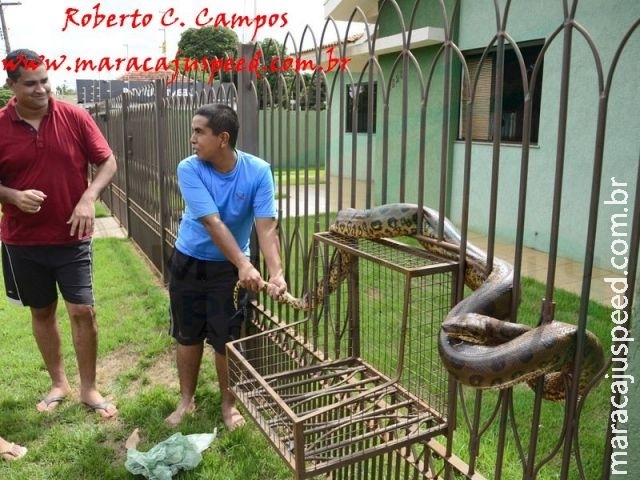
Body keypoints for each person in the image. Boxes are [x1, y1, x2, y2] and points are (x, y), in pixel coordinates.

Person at [0, 49, 118, 419]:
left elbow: (107, 161)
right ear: (12, 86)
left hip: (72, 237)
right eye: (31, 83)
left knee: (83, 310)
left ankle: (89, 388)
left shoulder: (74, 116)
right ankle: (58, 383)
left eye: (46, 81)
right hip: (22, 240)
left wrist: (88, 196)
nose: (42, 89)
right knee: (42, 311)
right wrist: (12, 196)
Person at [166, 103, 287, 430]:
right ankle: (186, 400)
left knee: (226, 338)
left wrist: (276, 272)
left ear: (222, 138)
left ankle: (227, 404)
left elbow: (266, 226)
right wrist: (245, 264)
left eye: (199, 131)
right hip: (189, 262)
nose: (192, 138)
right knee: (187, 335)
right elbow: (212, 222)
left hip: (226, 272)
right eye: (193, 131)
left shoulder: (258, 171)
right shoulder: (189, 168)